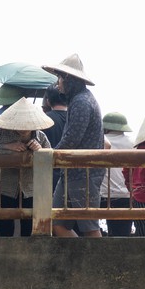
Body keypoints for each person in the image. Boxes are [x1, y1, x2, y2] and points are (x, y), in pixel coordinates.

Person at [44, 54, 103, 237]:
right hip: (72, 172)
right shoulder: (80, 100)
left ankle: (98, 264)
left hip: (83, 173)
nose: (58, 84)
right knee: (57, 222)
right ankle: (82, 261)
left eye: (60, 78)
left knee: (90, 227)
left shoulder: (81, 102)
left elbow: (71, 139)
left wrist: (49, 156)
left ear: (68, 79)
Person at [0, 96, 52, 236]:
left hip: (31, 189)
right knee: (3, 229)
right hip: (3, 188)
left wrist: (39, 151)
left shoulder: (41, 137)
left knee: (29, 229)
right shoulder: (0, 133)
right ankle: (4, 257)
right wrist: (6, 147)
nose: (24, 128)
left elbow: (51, 159)